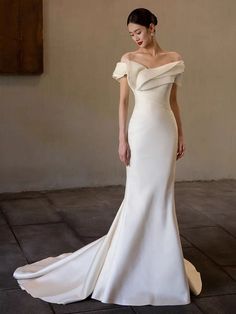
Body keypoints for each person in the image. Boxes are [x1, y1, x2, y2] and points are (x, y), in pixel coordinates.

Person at [13, 8, 202, 306]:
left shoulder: (174, 60)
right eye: (131, 34)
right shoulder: (127, 60)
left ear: (152, 27)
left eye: (138, 32)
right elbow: (123, 103)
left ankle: (162, 268)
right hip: (140, 133)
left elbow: (174, 102)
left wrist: (181, 134)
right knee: (138, 197)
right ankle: (127, 265)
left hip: (165, 132)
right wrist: (121, 139)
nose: (135, 38)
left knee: (162, 198)